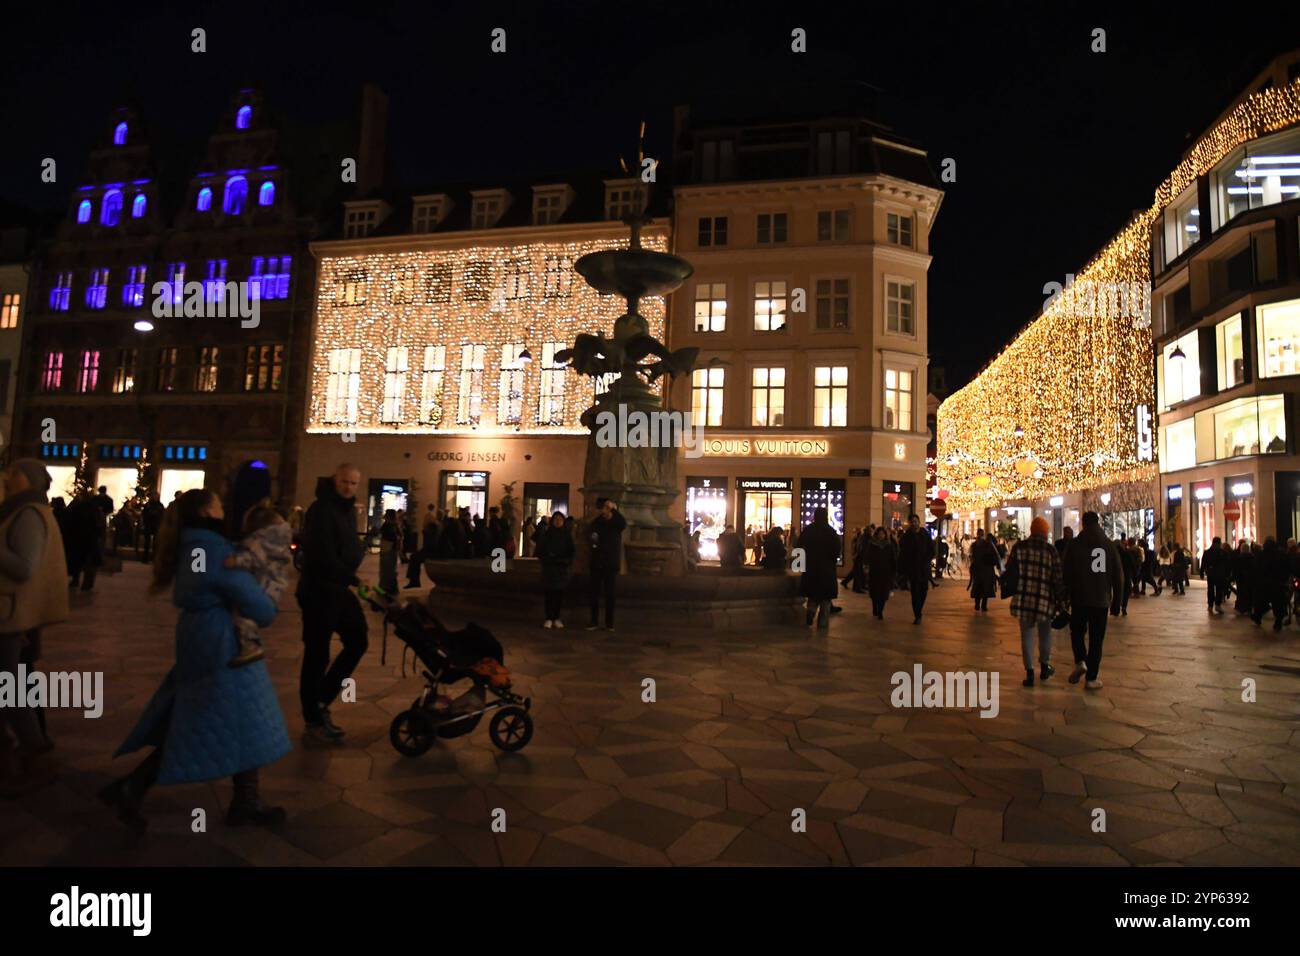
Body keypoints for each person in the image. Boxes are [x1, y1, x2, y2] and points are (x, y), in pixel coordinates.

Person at [100, 488, 289, 830]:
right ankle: (240, 801)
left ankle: (138, 787)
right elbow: (246, 594)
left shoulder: (192, 543)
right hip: (224, 642)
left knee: (205, 717)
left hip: (201, 635)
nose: (223, 509)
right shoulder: (211, 546)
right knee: (234, 716)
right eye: (218, 504)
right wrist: (266, 608)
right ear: (206, 511)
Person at [0, 460, 69, 797]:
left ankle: (35, 752)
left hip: (7, 616)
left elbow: (24, 567)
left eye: (13, 472)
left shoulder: (29, 514)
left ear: (27, 479)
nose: (6, 476)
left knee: (8, 687)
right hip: (7, 613)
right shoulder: (16, 510)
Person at [296, 464, 368, 743]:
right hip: (318, 590)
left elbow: (349, 546)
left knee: (358, 640)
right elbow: (321, 554)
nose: (348, 487)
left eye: (353, 482)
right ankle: (313, 718)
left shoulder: (348, 510)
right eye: (344, 481)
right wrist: (350, 576)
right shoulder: (321, 509)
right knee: (317, 653)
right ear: (334, 480)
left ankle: (321, 700)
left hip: (338, 588)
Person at [224, 503, 294, 667]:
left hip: (265, 584)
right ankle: (249, 644)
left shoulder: (262, 540)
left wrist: (236, 561)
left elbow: (255, 558)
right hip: (273, 586)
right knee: (247, 616)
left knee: (244, 617)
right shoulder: (279, 538)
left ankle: (250, 645)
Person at [1062, 511, 1124, 690]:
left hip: (1079, 597)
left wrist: (1065, 596)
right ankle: (1091, 678)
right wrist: (1117, 602)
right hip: (1101, 599)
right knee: (1097, 639)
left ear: (1083, 524)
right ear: (1098, 523)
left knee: (1077, 631)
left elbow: (1066, 571)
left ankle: (1080, 660)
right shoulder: (1108, 544)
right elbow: (1118, 575)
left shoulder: (1075, 544)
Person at [1007, 516, 1066, 688]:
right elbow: (1057, 577)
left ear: (1032, 530)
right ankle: (1045, 666)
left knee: (1026, 635)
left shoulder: (1019, 547)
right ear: (1045, 532)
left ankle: (1030, 672)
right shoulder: (1050, 550)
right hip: (1044, 599)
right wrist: (1061, 599)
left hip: (1024, 598)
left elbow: (1010, 570)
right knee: (1045, 634)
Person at [586, 498, 626, 631]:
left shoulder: (616, 523)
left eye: (608, 509)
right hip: (597, 563)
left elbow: (622, 523)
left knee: (610, 595)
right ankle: (594, 621)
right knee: (594, 594)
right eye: (604, 508)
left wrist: (614, 510)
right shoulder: (597, 523)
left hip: (610, 564)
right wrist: (594, 544)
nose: (606, 511)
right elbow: (590, 535)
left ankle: (609, 623)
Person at [798, 507, 840, 629]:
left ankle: (811, 611)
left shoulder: (808, 530)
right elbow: (837, 551)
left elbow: (799, 547)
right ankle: (822, 624)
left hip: (811, 568)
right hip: (827, 570)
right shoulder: (831, 532)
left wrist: (798, 565)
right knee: (826, 599)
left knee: (813, 595)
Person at [534, 511, 574, 628]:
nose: (558, 521)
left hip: (561, 569)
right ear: (552, 521)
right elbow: (540, 550)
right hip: (549, 569)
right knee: (549, 594)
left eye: (560, 519)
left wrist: (565, 561)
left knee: (558, 595)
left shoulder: (566, 535)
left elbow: (571, 551)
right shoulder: (546, 534)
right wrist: (547, 559)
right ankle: (548, 617)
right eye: (556, 519)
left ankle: (556, 617)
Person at [898, 514, 935, 624]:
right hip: (913, 569)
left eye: (915, 521)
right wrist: (903, 570)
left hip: (924, 568)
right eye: (912, 522)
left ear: (919, 522)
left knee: (924, 591)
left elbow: (931, 549)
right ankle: (917, 614)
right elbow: (903, 554)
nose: (914, 523)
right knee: (915, 592)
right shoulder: (906, 537)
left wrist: (928, 559)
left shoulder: (925, 534)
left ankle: (919, 610)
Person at [1251, 537, 1289, 631]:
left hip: (1264, 583)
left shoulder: (1261, 555)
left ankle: (1257, 617)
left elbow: (1256, 569)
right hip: (1277, 583)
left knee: (1261, 602)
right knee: (1278, 603)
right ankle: (1278, 622)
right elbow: (1286, 568)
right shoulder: (1281, 554)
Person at [865, 526, 897, 619]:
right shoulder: (872, 545)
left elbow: (893, 559)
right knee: (874, 592)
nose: (881, 535)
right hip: (874, 571)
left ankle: (880, 611)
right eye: (879, 533)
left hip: (885, 572)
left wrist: (894, 570)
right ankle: (875, 607)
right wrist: (866, 566)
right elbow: (867, 557)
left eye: (883, 534)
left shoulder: (889, 546)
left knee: (883, 593)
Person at [968, 528, 1000, 611]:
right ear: (983, 534)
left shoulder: (974, 544)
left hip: (977, 569)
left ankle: (977, 604)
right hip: (987, 569)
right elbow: (995, 555)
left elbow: (971, 556)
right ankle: (984, 606)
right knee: (986, 587)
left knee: (977, 586)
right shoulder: (988, 544)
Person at [1200, 536, 1231, 614]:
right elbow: (1204, 563)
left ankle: (1215, 605)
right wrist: (1202, 572)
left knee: (1217, 590)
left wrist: (1202, 572)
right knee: (1213, 590)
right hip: (1215, 574)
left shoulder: (1210, 552)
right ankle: (1212, 605)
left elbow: (1227, 564)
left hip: (1216, 574)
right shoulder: (1222, 553)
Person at [378, 509, 400, 594]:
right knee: (391, 569)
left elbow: (384, 535)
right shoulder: (394, 525)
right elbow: (398, 536)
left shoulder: (387, 525)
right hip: (392, 549)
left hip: (387, 549)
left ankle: (385, 587)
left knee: (385, 569)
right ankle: (391, 587)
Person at [139, 494, 165, 563]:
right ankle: (145, 558)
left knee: (155, 543)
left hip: (156, 525)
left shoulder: (160, 505)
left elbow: (162, 514)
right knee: (147, 543)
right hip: (149, 525)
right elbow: (144, 514)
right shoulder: (148, 505)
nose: (156, 497)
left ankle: (154, 558)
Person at [1232, 540, 1254, 614]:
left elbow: (1236, 569)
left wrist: (1234, 577)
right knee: (1249, 593)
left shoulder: (1239, 558)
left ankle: (1241, 607)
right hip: (1250, 578)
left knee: (1241, 593)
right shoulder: (1252, 557)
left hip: (1241, 579)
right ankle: (1248, 607)